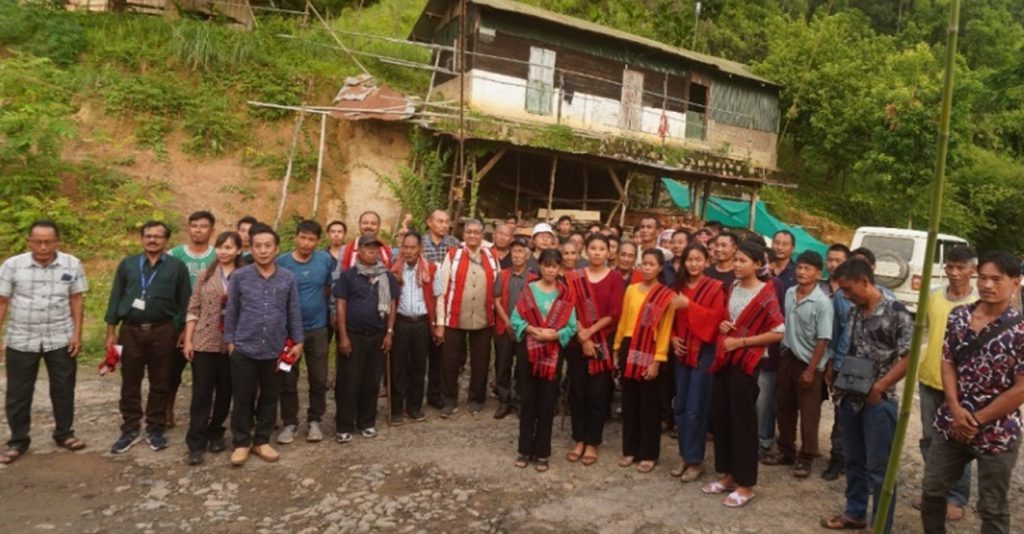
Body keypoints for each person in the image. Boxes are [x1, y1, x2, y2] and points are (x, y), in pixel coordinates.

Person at [921, 251, 1024, 534]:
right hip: (952, 424)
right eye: (984, 278)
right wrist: (954, 408)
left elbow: (1021, 387)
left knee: (992, 508)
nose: (988, 285)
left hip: (997, 431)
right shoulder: (959, 316)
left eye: (997, 279)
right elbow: (947, 361)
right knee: (931, 491)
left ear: (1015, 283)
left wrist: (977, 420)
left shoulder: (1020, 330)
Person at [821, 259, 912, 533]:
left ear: (865, 281)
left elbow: (909, 358)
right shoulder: (854, 311)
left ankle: (882, 525)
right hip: (850, 398)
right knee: (854, 460)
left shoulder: (897, 313)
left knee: (880, 467)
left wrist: (880, 387)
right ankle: (855, 513)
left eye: (849, 290)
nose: (846, 296)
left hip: (878, 402)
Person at [703, 241, 784, 507]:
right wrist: (725, 326)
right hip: (725, 359)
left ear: (758, 265)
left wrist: (741, 343)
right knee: (723, 418)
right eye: (735, 260)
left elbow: (778, 331)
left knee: (743, 422)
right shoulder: (733, 287)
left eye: (742, 261)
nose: (736, 265)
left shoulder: (766, 294)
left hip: (747, 363)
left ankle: (746, 484)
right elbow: (728, 320)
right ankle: (728, 476)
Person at [0, 221, 88, 464]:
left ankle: (64, 434)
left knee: (63, 388)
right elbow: (2, 301)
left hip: (60, 336)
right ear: (29, 242)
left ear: (57, 242)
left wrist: (77, 334)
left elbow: (77, 300)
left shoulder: (72, 264)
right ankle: (18, 441)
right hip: (21, 338)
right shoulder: (12, 266)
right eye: (37, 241)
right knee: (18, 392)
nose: (43, 246)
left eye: (48, 241)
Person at [105, 221, 192, 454]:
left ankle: (156, 427)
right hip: (130, 331)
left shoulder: (177, 267)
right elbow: (115, 298)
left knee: (160, 381)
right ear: (142, 238)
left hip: (163, 331)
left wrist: (184, 330)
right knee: (130, 381)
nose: (152, 240)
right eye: (148, 236)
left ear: (166, 241)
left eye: (158, 236)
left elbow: (186, 301)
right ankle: (130, 428)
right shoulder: (128, 265)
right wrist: (111, 333)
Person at [224, 224, 304, 466]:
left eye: (268, 245)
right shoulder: (240, 277)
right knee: (242, 397)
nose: (263, 250)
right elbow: (231, 311)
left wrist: (298, 341)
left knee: (270, 396)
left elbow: (293, 311)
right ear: (251, 248)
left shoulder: (287, 278)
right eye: (257, 246)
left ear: (277, 248)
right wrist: (230, 341)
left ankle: (261, 440)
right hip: (244, 347)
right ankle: (241, 442)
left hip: (276, 348)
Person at [916, 245, 977, 522]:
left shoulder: (978, 302)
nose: (954, 273)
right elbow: (924, 330)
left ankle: (956, 497)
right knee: (930, 439)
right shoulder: (933, 296)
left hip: (963, 386)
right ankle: (935, 492)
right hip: (929, 377)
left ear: (972, 269)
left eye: (960, 267)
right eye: (950, 266)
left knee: (958, 442)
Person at [763, 251, 833, 478]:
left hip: (809, 362)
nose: (802, 272)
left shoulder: (823, 303)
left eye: (808, 269)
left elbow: (823, 339)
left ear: (818, 274)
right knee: (784, 405)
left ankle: (807, 456)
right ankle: (786, 449)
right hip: (787, 356)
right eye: (800, 268)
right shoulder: (790, 292)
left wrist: (812, 370)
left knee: (809, 411)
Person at [512, 249, 577, 472]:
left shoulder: (565, 294)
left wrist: (554, 335)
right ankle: (524, 450)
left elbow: (571, 326)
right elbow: (515, 318)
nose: (550, 269)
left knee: (547, 401)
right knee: (528, 399)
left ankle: (542, 452)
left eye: (555, 266)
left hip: (552, 354)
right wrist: (531, 329)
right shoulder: (528, 290)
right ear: (539, 266)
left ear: (560, 269)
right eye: (546, 265)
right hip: (528, 351)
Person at [181, 231, 241, 465]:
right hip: (205, 341)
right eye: (220, 247)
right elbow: (193, 308)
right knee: (201, 394)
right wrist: (188, 340)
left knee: (226, 392)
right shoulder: (205, 274)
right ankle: (195, 442)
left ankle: (216, 432)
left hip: (232, 344)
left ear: (238, 250)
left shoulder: (245, 275)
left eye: (229, 247)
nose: (224, 251)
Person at [564, 234, 625, 466]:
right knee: (578, 391)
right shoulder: (574, 277)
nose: (598, 252)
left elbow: (614, 313)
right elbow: (569, 306)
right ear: (585, 251)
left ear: (609, 252)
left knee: (598, 393)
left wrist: (591, 333)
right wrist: (582, 334)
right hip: (577, 340)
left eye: (603, 248)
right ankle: (578, 438)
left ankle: (592, 442)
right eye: (593, 248)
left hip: (603, 340)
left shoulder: (615, 278)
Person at [614, 249, 676, 474]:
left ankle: (648, 453)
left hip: (650, 349)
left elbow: (665, 329)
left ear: (660, 267)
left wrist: (657, 361)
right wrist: (616, 348)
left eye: (652, 264)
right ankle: (629, 449)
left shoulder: (665, 295)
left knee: (649, 403)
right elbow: (623, 321)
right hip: (629, 347)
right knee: (630, 401)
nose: (647, 268)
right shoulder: (630, 290)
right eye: (644, 264)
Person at [668, 243, 726, 483]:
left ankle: (695, 460)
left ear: (706, 262)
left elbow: (716, 320)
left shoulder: (714, 289)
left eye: (697, 259)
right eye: (689, 260)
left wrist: (689, 306)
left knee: (696, 407)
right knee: (680, 405)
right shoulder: (677, 287)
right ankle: (684, 453)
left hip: (703, 352)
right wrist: (672, 338)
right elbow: (667, 318)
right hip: (681, 352)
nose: (693, 264)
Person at [333, 234, 399, 442]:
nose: (372, 251)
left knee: (371, 381)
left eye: (375, 248)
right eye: (368, 247)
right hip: (353, 335)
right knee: (349, 381)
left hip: (378, 335)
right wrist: (343, 336)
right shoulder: (348, 276)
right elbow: (341, 305)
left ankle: (367, 422)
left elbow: (392, 304)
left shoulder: (386, 276)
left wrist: (389, 332)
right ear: (359, 251)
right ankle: (344, 425)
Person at [275, 220, 335, 444]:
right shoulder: (282, 263)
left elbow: (328, 286)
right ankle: (290, 422)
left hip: (318, 329)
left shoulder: (325, 260)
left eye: (312, 239)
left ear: (318, 241)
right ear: (296, 237)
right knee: (287, 377)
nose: (306, 243)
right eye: (303, 238)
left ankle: (315, 420)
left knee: (318, 377)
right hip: (288, 332)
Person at [435, 219, 500, 416]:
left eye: (477, 232)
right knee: (450, 361)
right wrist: (440, 322)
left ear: (482, 236)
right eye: (469, 232)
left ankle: (476, 399)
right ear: (464, 235)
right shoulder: (453, 255)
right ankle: (448, 400)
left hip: (483, 317)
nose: (472, 235)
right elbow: (441, 289)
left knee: (480, 361)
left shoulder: (491, 255)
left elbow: (497, 286)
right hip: (455, 317)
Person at [166, 210, 217, 428]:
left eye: (203, 226)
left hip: (209, 326)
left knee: (206, 378)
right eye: (194, 225)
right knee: (170, 374)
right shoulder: (174, 255)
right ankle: (166, 413)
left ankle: (205, 418)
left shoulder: (219, 255)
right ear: (188, 229)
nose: (198, 230)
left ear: (212, 230)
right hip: (177, 324)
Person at [758, 229, 798, 458]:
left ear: (792, 248)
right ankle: (759, 437)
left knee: (773, 397)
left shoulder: (796, 273)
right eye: (777, 242)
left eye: (785, 244)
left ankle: (766, 440)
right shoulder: (762, 273)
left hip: (782, 343)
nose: (780, 246)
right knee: (761, 394)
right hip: (761, 342)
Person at [389, 232, 436, 424]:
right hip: (400, 322)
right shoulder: (393, 271)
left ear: (420, 249)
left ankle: (414, 407)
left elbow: (437, 297)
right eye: (405, 247)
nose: (408, 251)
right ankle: (396, 409)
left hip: (421, 324)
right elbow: (389, 299)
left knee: (418, 367)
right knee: (397, 366)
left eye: (412, 247)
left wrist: (438, 325)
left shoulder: (430, 269)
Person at [493, 238, 536, 419]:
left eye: (521, 251)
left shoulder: (534, 278)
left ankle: (519, 400)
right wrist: (508, 322)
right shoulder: (502, 275)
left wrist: (521, 325)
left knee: (523, 366)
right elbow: (496, 300)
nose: (517, 255)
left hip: (525, 330)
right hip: (504, 327)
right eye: (515, 251)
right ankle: (504, 401)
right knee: (502, 365)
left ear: (527, 255)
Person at [421, 210, 460, 409]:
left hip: (445, 302)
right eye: (439, 221)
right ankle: (414, 395)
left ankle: (435, 394)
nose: (444, 225)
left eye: (447, 221)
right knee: (418, 354)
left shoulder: (454, 244)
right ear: (429, 222)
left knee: (439, 354)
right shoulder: (419, 243)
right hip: (422, 302)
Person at [821, 243, 854, 481]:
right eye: (830, 259)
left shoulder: (849, 293)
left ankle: (850, 460)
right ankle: (837, 456)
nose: (833, 264)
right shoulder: (828, 291)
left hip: (858, 365)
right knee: (839, 411)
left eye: (839, 260)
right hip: (832, 359)